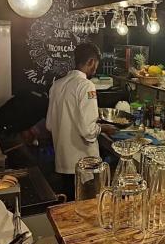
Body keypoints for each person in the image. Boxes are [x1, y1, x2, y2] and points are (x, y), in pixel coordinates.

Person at [46, 42, 116, 199]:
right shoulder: (86, 86)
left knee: (70, 205)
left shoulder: (57, 85)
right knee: (86, 209)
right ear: (91, 62)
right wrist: (102, 128)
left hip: (62, 162)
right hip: (84, 164)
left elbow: (49, 125)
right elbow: (87, 130)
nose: (95, 69)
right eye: (96, 64)